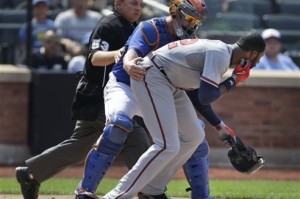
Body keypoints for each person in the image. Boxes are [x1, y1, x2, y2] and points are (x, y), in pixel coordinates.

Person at [103, 31, 266, 199]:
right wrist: (234, 80)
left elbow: (198, 96)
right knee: (167, 145)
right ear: (251, 53)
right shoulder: (221, 55)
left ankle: (152, 190)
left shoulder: (221, 51)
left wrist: (220, 126)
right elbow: (206, 96)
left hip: (168, 82)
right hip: (152, 76)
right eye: (258, 58)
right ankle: (116, 196)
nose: (257, 62)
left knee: (194, 136)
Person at [74, 0, 212, 198]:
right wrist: (129, 64)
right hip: (126, 85)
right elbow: (131, 54)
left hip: (159, 92)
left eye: (196, 20)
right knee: (118, 125)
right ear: (175, 12)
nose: (192, 24)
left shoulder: (189, 42)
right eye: (189, 18)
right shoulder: (151, 28)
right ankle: (84, 191)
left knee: (195, 134)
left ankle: (157, 191)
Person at [15, 1, 147, 199]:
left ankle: (31, 173)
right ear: (118, 3)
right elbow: (94, 58)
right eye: (133, 3)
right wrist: (119, 54)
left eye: (141, 4)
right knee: (135, 137)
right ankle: (151, 190)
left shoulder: (134, 27)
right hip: (100, 95)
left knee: (79, 147)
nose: (138, 8)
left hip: (113, 95)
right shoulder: (109, 24)